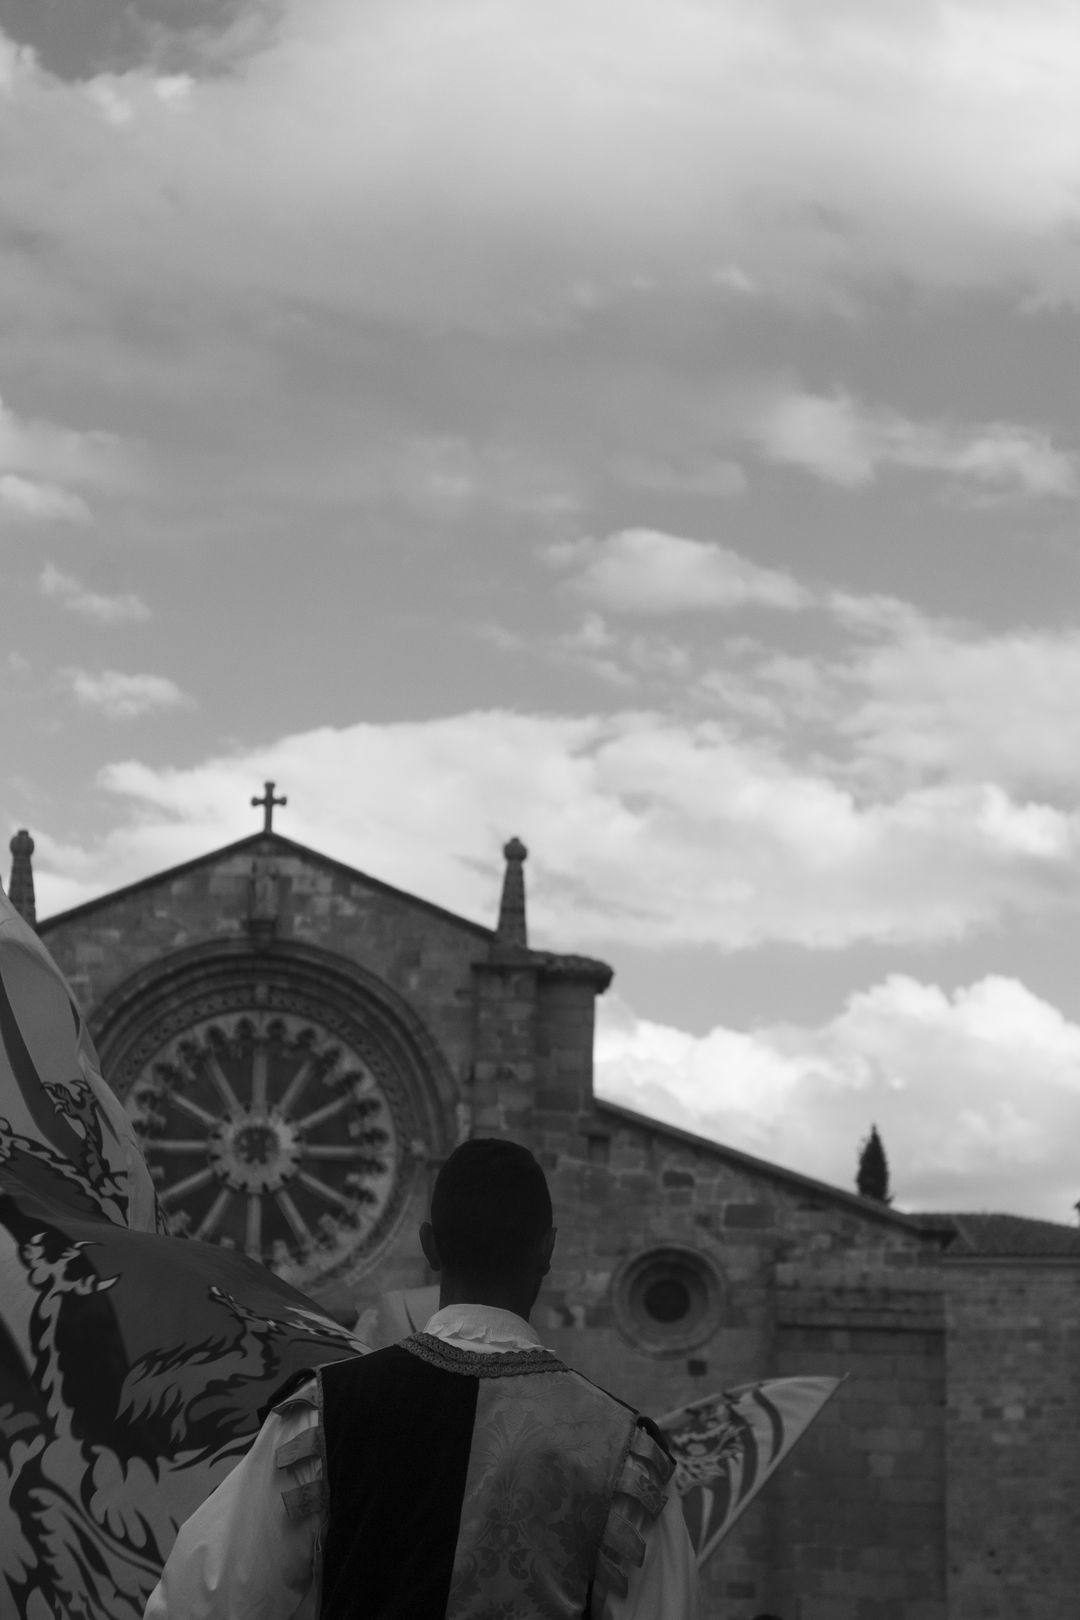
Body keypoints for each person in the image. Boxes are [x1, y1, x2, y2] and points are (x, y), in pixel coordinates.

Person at [144, 1137, 701, 1620]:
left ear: (429, 1246)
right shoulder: (622, 1453)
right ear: (547, 1251)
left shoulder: (323, 1417)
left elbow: (200, 1602)